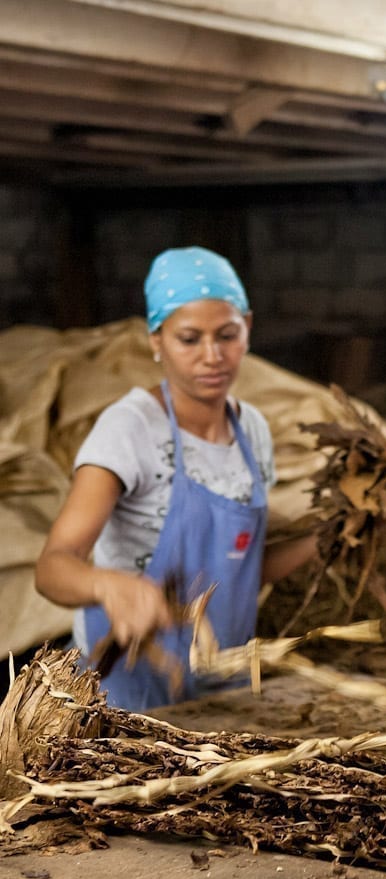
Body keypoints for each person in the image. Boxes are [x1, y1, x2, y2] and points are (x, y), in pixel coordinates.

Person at [35, 246, 317, 711]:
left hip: (220, 684)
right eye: (189, 339)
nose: (212, 355)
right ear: (156, 340)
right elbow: (52, 568)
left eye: (227, 335)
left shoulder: (252, 432)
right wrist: (109, 585)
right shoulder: (129, 430)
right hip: (124, 691)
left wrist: (327, 539)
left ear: (248, 328)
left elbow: (241, 571)